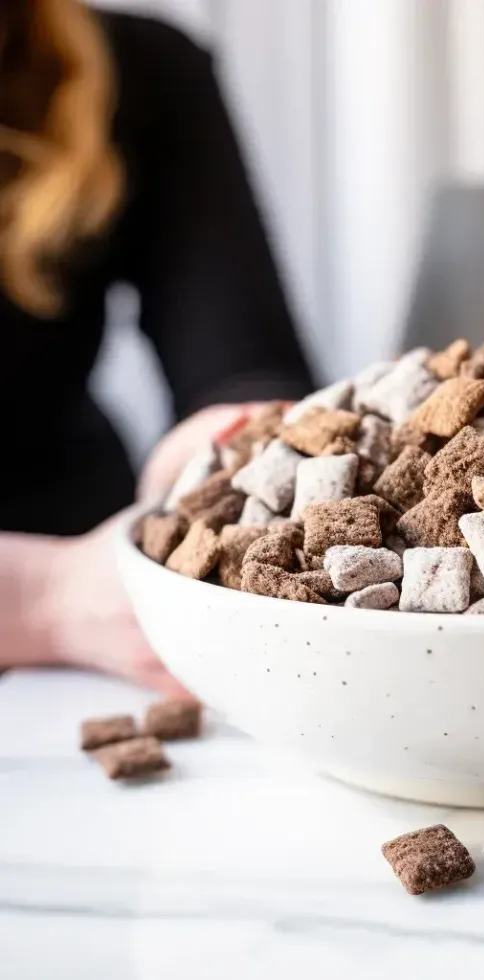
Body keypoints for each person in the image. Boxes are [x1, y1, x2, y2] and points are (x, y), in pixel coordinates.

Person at [0, 1, 315, 692]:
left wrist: (248, 456)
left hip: (98, 558)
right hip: (80, 595)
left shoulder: (139, 66)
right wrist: (37, 598)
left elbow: (241, 363)